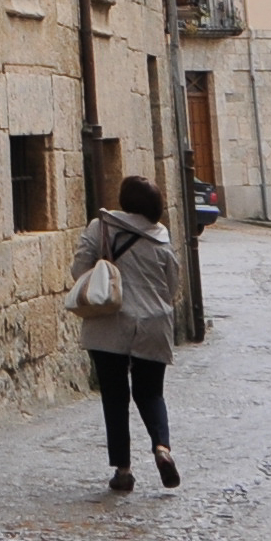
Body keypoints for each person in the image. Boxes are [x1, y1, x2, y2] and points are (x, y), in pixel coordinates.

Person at [71, 175, 182, 493]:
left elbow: (79, 271)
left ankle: (123, 470)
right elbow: (171, 286)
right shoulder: (161, 237)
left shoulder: (101, 227)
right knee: (151, 393)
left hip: (110, 320)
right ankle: (162, 448)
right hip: (153, 323)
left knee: (115, 397)